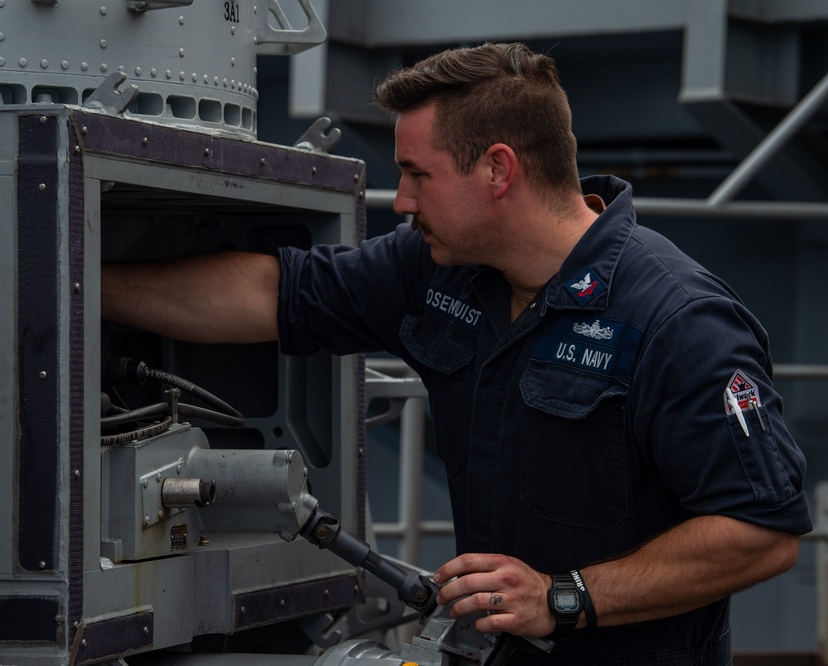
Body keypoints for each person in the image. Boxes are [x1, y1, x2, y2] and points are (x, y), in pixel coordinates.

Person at [101, 42, 812, 664]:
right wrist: (75, 285)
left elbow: (762, 530)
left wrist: (566, 598)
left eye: (418, 173)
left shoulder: (677, 318)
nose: (402, 200)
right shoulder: (436, 268)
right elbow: (272, 294)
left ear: (498, 170)